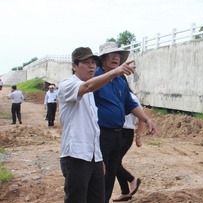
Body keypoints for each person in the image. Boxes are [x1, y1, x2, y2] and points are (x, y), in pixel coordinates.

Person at [57, 46, 136, 203]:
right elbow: (87, 87)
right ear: (74, 66)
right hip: (75, 155)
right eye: (86, 63)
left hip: (93, 157)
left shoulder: (91, 92)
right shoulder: (68, 85)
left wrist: (98, 158)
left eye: (93, 62)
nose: (92, 66)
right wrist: (115, 71)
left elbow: (93, 127)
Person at [94, 42, 158, 203]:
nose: (116, 57)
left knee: (110, 174)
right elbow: (89, 88)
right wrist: (115, 72)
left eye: (118, 56)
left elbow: (131, 104)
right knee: (97, 174)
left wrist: (146, 119)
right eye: (111, 55)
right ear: (102, 59)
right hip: (101, 134)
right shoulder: (96, 78)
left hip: (118, 135)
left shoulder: (120, 81)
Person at [112, 75, 145, 202]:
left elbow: (142, 117)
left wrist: (138, 136)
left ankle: (132, 180)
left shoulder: (131, 98)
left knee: (113, 162)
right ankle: (125, 192)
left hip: (125, 132)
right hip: (118, 132)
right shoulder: (115, 95)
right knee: (115, 162)